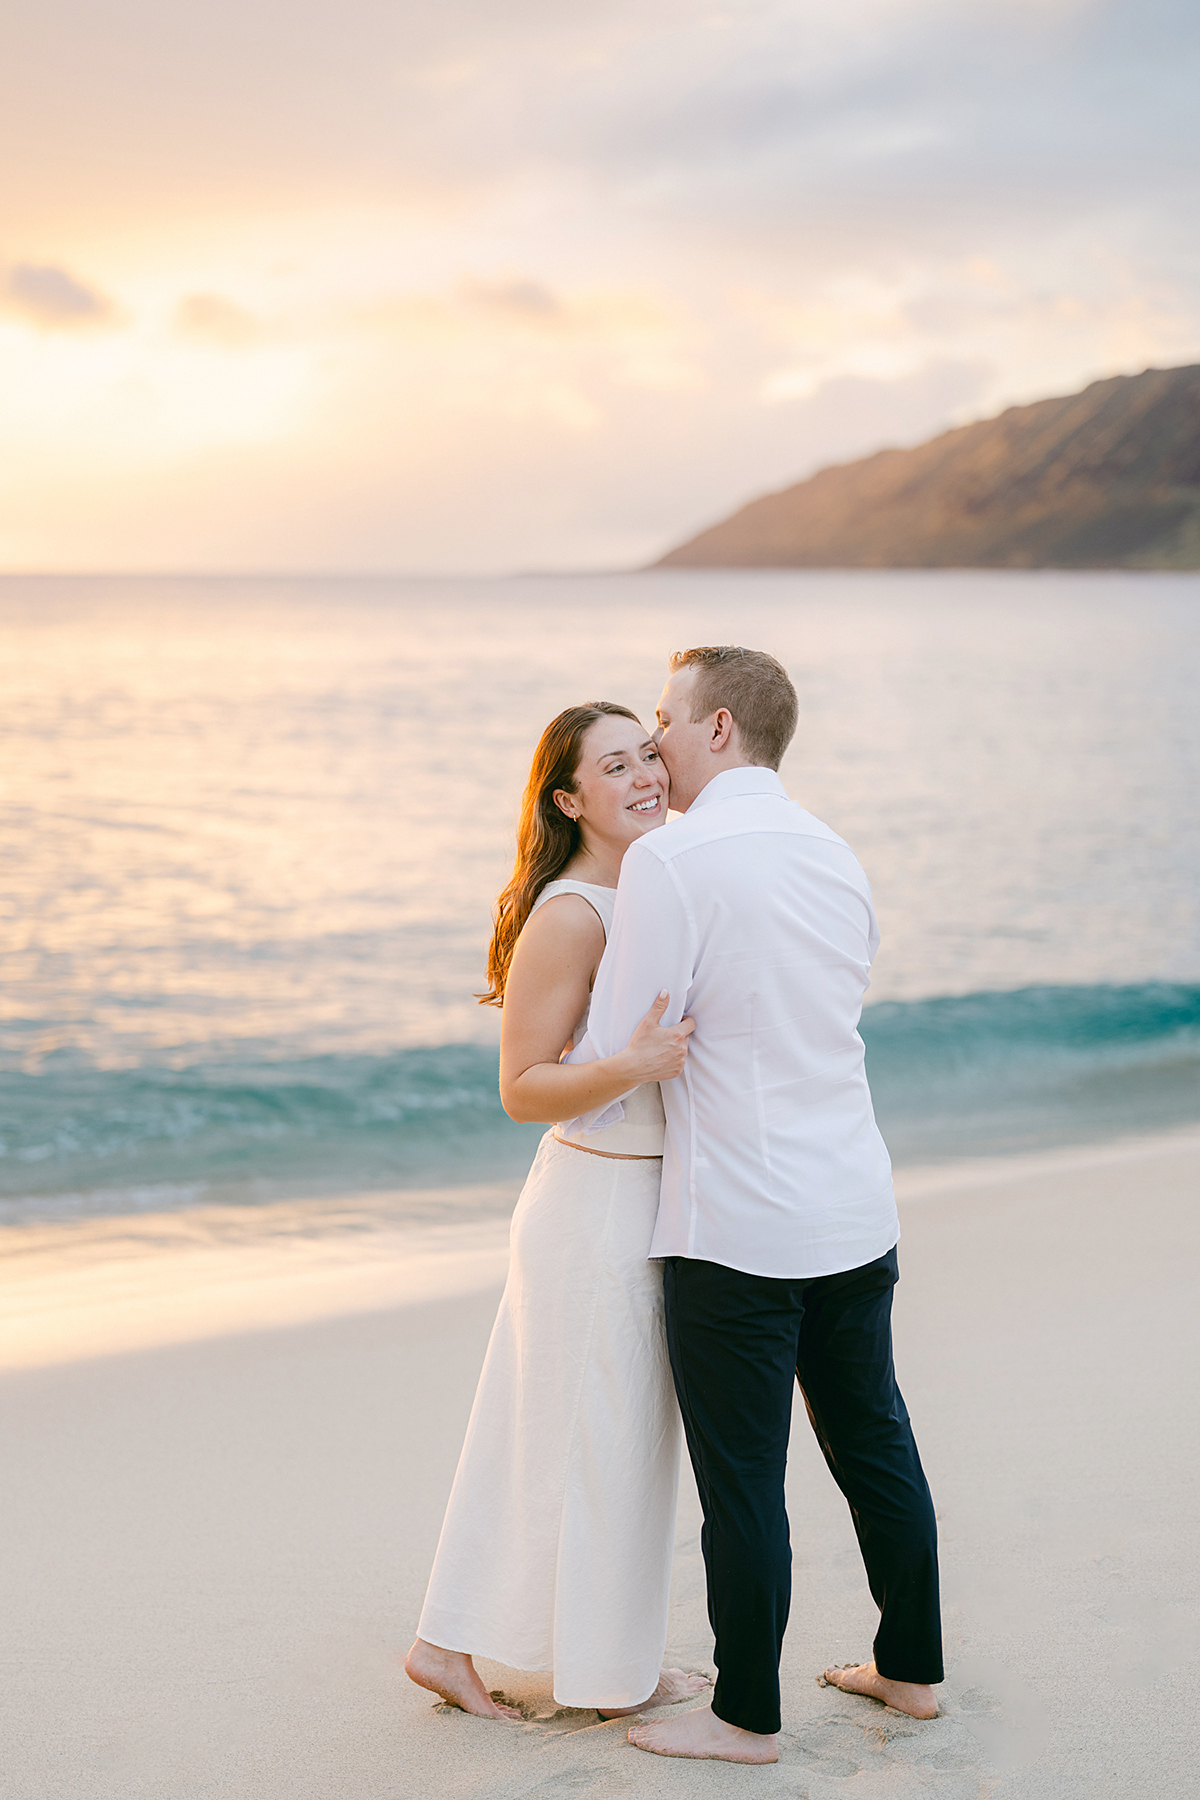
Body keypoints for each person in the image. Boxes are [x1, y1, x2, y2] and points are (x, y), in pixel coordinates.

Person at [565, 647, 943, 1764]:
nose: (656, 749)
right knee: (875, 1443)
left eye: (667, 723)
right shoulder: (837, 853)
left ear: (718, 726)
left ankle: (746, 1717)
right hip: (853, 1203)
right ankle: (913, 1670)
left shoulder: (673, 863)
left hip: (737, 1227)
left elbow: (625, 1041)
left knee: (743, 1483)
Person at [405, 702, 707, 1721]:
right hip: (591, 1203)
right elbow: (522, 1085)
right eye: (614, 767)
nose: (644, 778)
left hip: (641, 1194)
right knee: (587, 1441)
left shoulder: (651, 888)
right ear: (570, 799)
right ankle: (473, 1650)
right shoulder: (575, 912)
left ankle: (591, 1661)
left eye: (648, 757)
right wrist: (635, 1065)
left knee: (601, 1440)